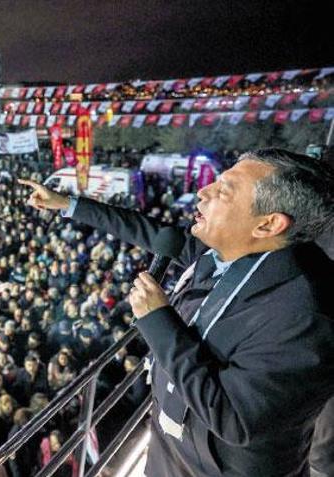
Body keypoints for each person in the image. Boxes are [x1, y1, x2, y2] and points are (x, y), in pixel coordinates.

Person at [21, 148, 334, 476]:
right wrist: (67, 204)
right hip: (170, 455)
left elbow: (235, 418)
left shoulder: (305, 317)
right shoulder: (237, 253)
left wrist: (159, 322)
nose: (203, 192)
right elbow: (152, 233)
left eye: (223, 190)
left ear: (268, 224)